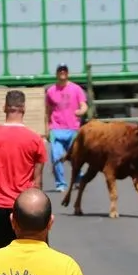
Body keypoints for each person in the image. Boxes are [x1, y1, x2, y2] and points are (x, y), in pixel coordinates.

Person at [0, 90, 47, 253]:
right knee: (30, 260)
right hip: (24, 209)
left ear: (4, 107)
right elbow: (37, 183)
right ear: (24, 108)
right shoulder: (36, 140)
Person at [45, 64, 87, 193]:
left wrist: (81, 111)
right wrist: (47, 127)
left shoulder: (76, 89)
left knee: (75, 157)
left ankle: (78, 179)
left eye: (64, 71)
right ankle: (60, 183)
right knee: (56, 156)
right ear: (57, 74)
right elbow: (48, 111)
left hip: (73, 129)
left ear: (67, 73)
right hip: (56, 129)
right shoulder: (51, 91)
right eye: (60, 71)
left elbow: (84, 105)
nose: (62, 73)